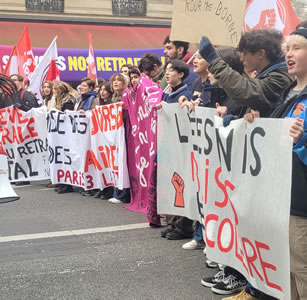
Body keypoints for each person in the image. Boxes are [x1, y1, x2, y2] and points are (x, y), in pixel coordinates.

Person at [225, 27, 307, 300]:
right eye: (287, 50)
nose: (289, 55)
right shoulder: (289, 93)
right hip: (284, 196)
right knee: (290, 269)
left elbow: (298, 143)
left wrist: (302, 142)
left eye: (297, 48)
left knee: (302, 267)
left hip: (301, 201)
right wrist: (259, 122)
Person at [199, 29, 293, 118]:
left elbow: (247, 91)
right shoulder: (270, 75)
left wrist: (214, 60)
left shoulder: (280, 79)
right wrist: (235, 119)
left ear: (260, 54)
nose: (241, 59)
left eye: (244, 54)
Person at [158, 59, 194, 240]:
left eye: (171, 70)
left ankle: (183, 226)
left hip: (181, 146)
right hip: (168, 143)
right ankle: (172, 222)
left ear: (181, 74)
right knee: (170, 183)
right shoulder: (167, 92)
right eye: (166, 70)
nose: (167, 73)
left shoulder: (185, 93)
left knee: (181, 184)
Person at [107, 73, 130, 204]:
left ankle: (122, 194)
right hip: (115, 134)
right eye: (114, 80)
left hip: (124, 133)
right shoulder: (114, 97)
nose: (115, 82)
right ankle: (116, 191)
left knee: (122, 163)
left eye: (119, 80)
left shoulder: (126, 95)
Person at [52, 81, 76, 194]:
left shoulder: (68, 101)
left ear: (60, 90)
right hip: (60, 134)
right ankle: (62, 182)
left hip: (67, 134)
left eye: (55, 89)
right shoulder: (59, 100)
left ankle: (67, 185)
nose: (53, 91)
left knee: (66, 159)